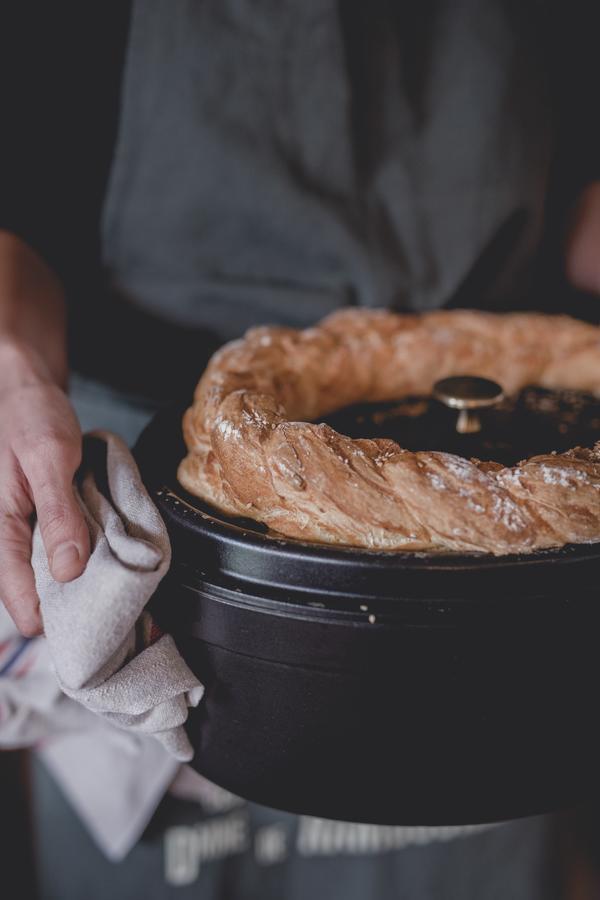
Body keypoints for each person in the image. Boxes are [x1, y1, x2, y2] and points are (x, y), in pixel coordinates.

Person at [2, 2, 600, 897]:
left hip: (508, 595)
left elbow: (578, 201)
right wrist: (11, 366)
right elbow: (22, 204)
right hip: (170, 515)